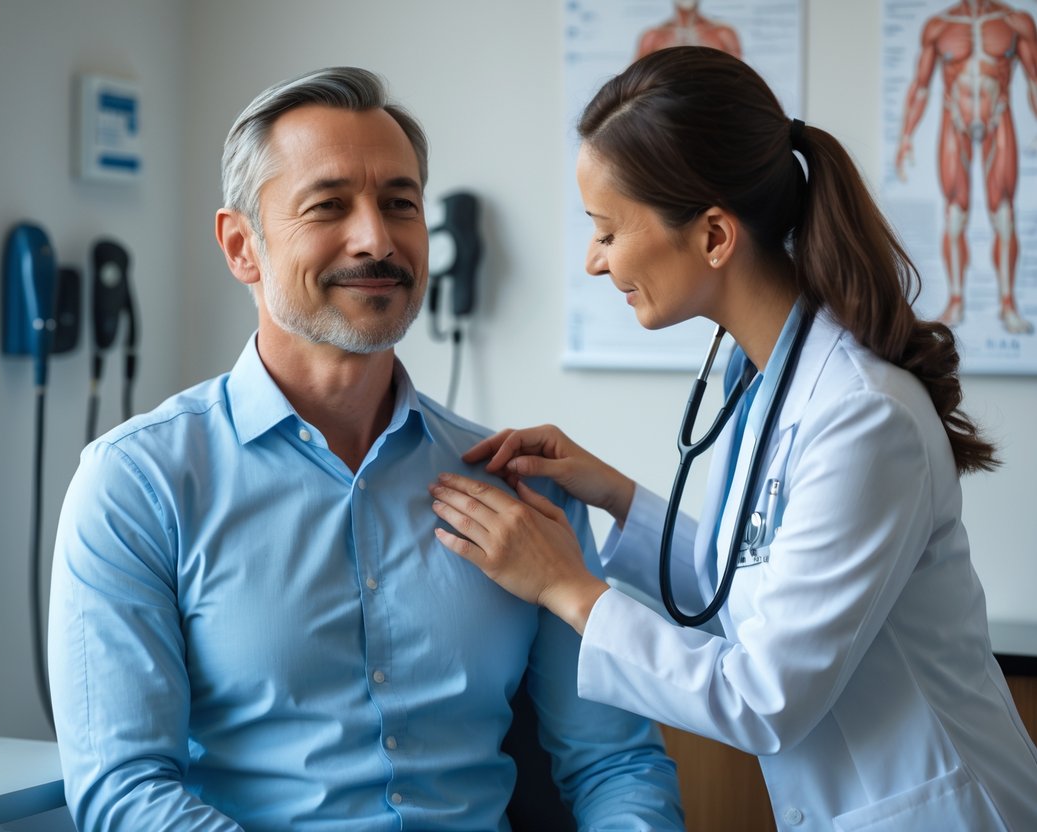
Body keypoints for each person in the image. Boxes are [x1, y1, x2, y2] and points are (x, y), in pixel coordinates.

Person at [48, 66, 683, 832]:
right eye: (328, 206)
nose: (376, 239)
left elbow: (616, 762)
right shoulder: (136, 485)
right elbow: (125, 791)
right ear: (241, 246)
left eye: (399, 204)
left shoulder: (518, 485)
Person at [431, 47, 1037, 831]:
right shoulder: (761, 382)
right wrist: (612, 492)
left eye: (607, 230)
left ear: (714, 235)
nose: (592, 261)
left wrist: (565, 587)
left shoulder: (861, 418)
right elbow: (744, 587)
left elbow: (763, 698)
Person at [895, 0, 1037, 333]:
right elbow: (921, 86)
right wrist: (905, 137)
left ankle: (1007, 304)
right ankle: (956, 299)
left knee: (1003, 213)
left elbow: (1034, 78)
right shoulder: (939, 26)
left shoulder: (1015, 23)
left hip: (997, 119)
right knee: (955, 214)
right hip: (954, 122)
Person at [635, 0, 741, 60]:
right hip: (667, 96)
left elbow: (742, 77)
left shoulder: (722, 33)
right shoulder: (653, 36)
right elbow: (633, 81)